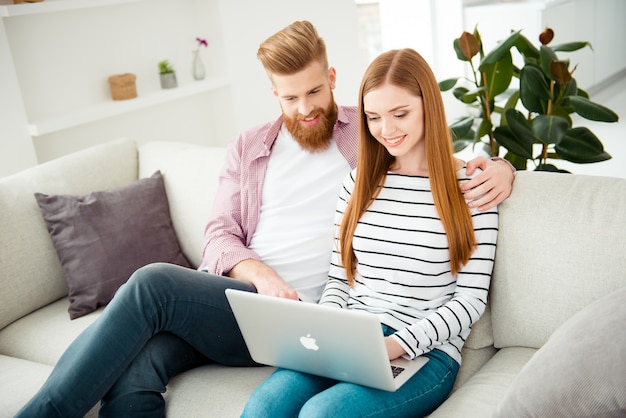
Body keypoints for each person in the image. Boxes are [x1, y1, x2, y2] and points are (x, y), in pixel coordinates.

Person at [16, 22, 511, 418]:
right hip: (263, 304)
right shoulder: (258, 149)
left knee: (151, 285)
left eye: (313, 92)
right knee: (142, 360)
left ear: (333, 79)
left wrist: (504, 166)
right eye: (288, 98)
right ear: (272, 92)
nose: (304, 109)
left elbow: (427, 151)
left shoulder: (365, 134)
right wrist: (263, 277)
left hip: (333, 317)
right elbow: (219, 235)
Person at [241, 47, 499, 418]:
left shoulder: (473, 189)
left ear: (429, 106)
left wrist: (395, 346)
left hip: (425, 352)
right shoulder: (359, 183)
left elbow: (471, 300)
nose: (386, 130)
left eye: (401, 113)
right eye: (374, 117)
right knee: (265, 406)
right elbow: (339, 276)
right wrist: (327, 330)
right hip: (350, 339)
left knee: (321, 414)